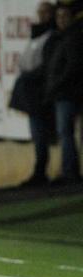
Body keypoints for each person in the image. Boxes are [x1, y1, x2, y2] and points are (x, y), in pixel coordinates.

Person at [11, 1, 55, 187]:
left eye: (46, 12)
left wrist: (30, 75)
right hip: (31, 92)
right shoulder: (37, 36)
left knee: (41, 134)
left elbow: (44, 66)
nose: (42, 15)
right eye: (40, 12)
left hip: (40, 91)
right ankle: (39, 170)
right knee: (37, 134)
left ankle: (41, 171)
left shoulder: (51, 37)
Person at [45, 3, 82, 185]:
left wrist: (57, 84)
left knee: (65, 132)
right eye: (58, 17)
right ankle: (69, 169)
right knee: (65, 132)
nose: (61, 20)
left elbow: (72, 67)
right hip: (63, 92)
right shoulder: (60, 38)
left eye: (64, 16)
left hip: (68, 93)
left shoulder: (73, 38)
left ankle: (70, 171)